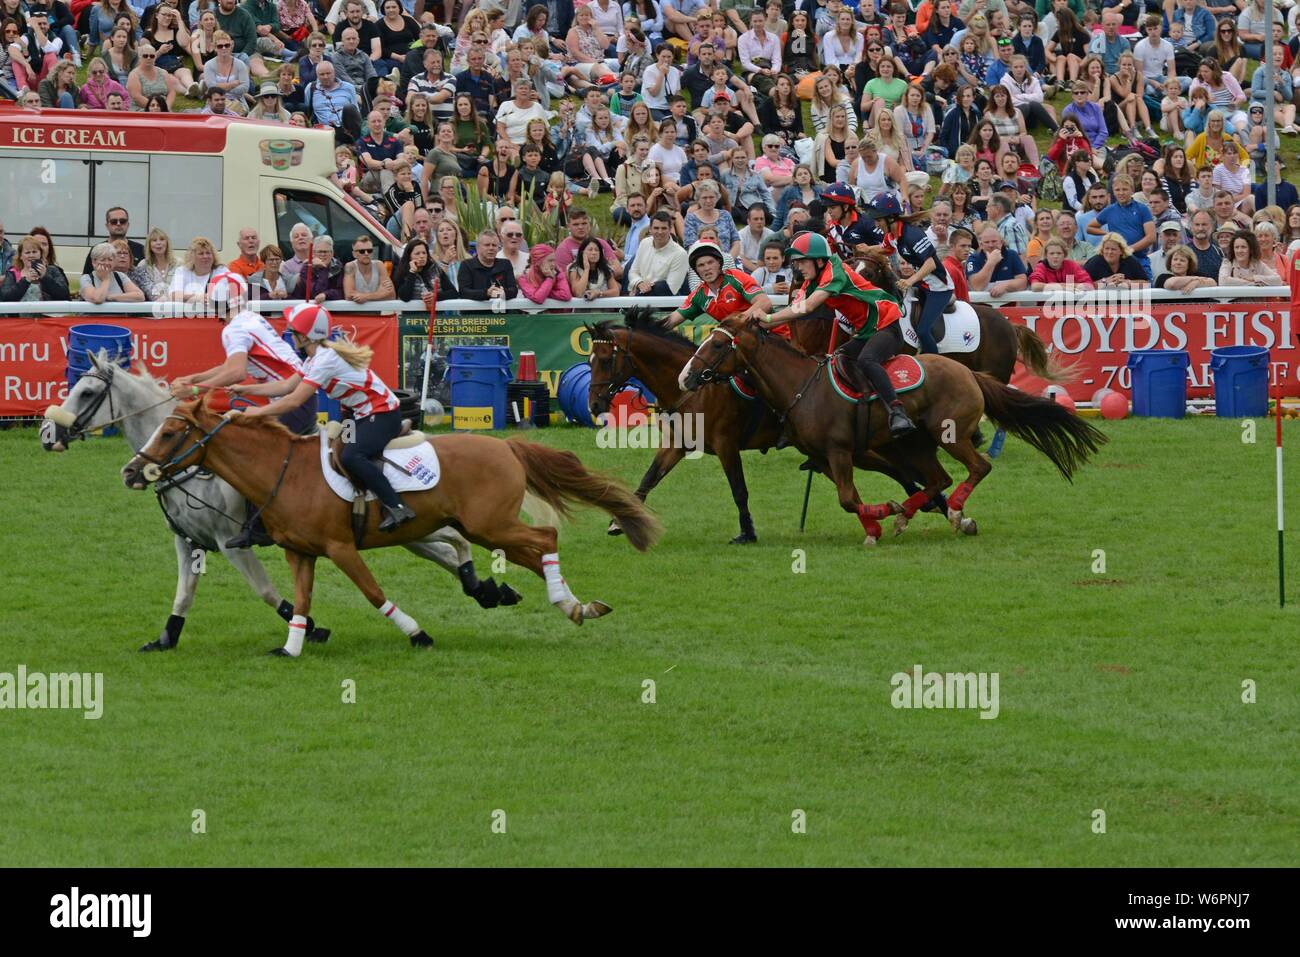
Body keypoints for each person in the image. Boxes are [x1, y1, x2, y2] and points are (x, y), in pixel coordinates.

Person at [227, 302, 414, 533]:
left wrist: (254, 413)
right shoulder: (313, 359)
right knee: (334, 450)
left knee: (351, 456)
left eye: (294, 329)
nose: (289, 332)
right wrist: (247, 390)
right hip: (360, 416)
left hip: (381, 415)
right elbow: (286, 386)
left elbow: (294, 401)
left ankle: (396, 506)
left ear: (306, 336)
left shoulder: (325, 360)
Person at [169, 273, 316, 546]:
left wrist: (194, 391)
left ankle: (258, 526)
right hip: (297, 395)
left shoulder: (233, 329)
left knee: (249, 455)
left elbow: (236, 372)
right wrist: (196, 378)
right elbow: (232, 366)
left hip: (291, 398)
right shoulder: (249, 318)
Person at [754, 232, 914, 436]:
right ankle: (856, 408)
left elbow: (809, 306)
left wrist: (767, 319)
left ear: (820, 260)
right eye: (797, 262)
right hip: (866, 331)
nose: (798, 267)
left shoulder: (834, 272)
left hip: (887, 324)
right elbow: (794, 310)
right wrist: (762, 324)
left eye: (802, 262)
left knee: (867, 360)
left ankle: (897, 412)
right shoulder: (811, 280)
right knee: (838, 358)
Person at [858, 192, 951, 354]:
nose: (876, 224)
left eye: (878, 220)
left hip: (939, 289)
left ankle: (934, 360)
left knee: (923, 331)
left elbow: (930, 264)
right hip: (923, 284)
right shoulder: (892, 234)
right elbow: (886, 249)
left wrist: (909, 281)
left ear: (891, 218)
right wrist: (868, 249)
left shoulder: (912, 235)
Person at [628, 210, 689, 294]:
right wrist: (639, 283)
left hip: (663, 300)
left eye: (664, 228)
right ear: (650, 229)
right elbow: (633, 272)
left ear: (670, 229)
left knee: (661, 286)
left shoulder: (680, 254)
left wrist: (645, 288)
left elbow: (671, 289)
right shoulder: (644, 243)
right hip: (640, 293)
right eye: (656, 228)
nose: (660, 232)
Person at [1, 235, 69, 301]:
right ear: (21, 256)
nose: (31, 255)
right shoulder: (12, 273)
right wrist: (26, 280)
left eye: (34, 252)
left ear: (40, 253)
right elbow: (5, 298)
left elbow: (64, 295)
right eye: (27, 252)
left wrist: (45, 277)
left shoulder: (53, 270)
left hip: (47, 312)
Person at [459, 228, 518, 301]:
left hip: (501, 311)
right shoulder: (466, 265)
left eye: (494, 245)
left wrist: (504, 292)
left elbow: (514, 290)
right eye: (487, 245)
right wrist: (486, 293)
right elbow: (463, 292)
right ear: (477, 247)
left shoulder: (505, 264)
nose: (491, 248)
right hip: (475, 311)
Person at [80, 241, 145, 303]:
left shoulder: (120, 276)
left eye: (110, 259)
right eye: (103, 260)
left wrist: (111, 297)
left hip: (119, 314)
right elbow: (97, 299)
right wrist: (105, 279)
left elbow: (140, 296)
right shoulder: (86, 278)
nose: (107, 263)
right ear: (94, 261)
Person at [1084, 233, 1150, 288]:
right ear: (1102, 249)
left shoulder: (1130, 261)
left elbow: (1146, 283)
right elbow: (1081, 286)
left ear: (1121, 251)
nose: (1109, 252)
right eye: (1106, 248)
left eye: (1113, 249)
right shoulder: (1094, 262)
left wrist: (1128, 282)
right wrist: (1104, 281)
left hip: (1126, 301)